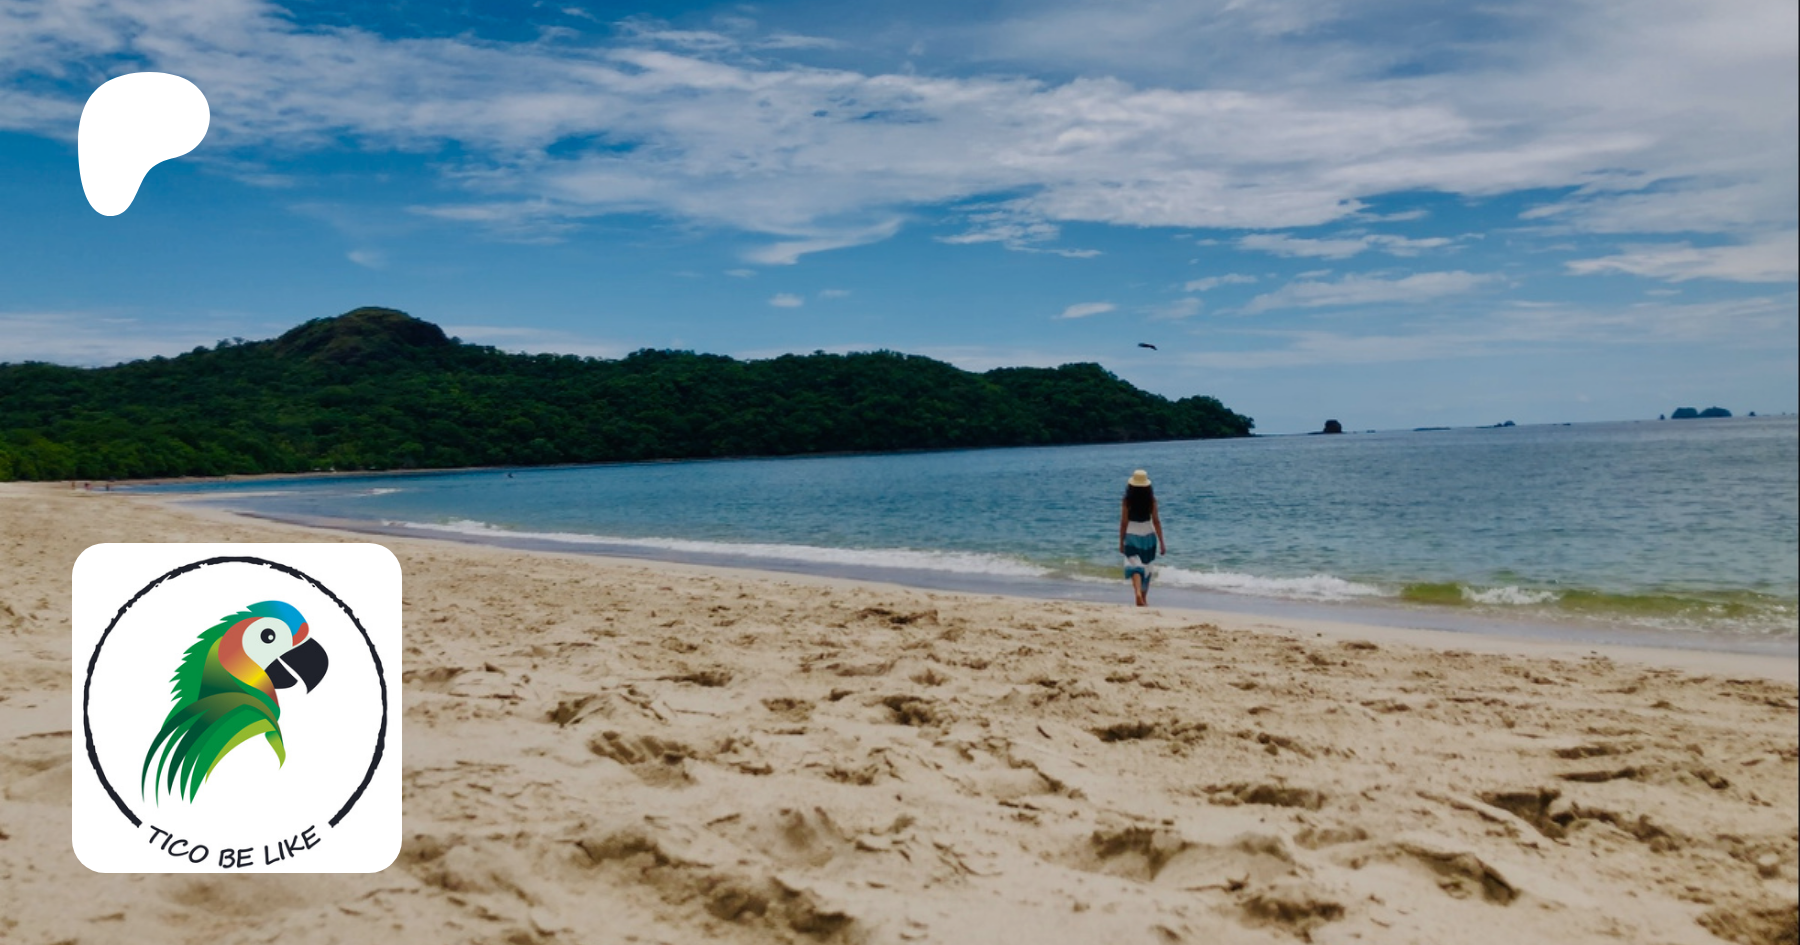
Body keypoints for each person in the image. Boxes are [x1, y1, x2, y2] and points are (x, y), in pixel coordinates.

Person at [1118, 469, 1165, 606]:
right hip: (1148, 534)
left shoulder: (1127, 501)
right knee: (1147, 567)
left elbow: (1123, 522)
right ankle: (1143, 598)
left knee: (1134, 565)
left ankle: (1137, 593)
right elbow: (1156, 521)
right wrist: (1162, 542)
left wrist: (1121, 541)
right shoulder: (1151, 500)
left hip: (1132, 533)